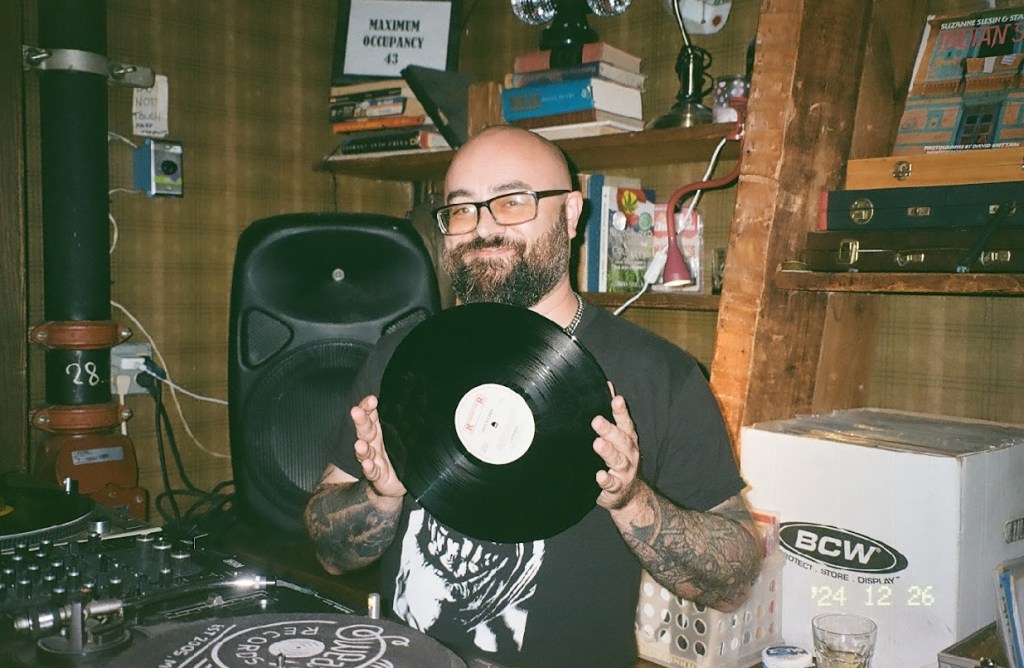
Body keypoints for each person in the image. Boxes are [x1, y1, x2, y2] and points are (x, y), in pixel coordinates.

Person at [305, 125, 763, 667]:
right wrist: (380, 496)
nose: (483, 228)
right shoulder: (401, 356)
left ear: (571, 214)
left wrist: (631, 500)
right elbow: (328, 549)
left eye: (512, 201)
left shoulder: (660, 376)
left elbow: (733, 579)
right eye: (462, 210)